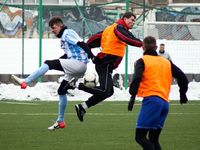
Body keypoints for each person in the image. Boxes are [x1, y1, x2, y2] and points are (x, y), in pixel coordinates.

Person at [11, 16, 89, 130]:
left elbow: (81, 43)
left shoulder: (67, 32)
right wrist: (59, 61)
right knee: (61, 91)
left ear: (60, 25)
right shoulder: (63, 37)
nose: (52, 30)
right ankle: (60, 121)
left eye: (53, 28)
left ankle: (25, 81)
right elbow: (68, 54)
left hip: (78, 64)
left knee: (49, 63)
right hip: (74, 65)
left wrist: (92, 56)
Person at [73, 12, 143, 122]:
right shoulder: (119, 28)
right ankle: (76, 85)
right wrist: (141, 43)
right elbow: (127, 38)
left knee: (109, 92)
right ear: (124, 18)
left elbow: (91, 41)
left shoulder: (109, 29)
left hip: (106, 64)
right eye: (131, 19)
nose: (133, 22)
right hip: (105, 63)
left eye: (134, 20)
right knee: (105, 90)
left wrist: (91, 55)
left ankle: (83, 107)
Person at [128, 36, 188, 150]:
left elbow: (137, 79)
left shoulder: (142, 61)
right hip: (165, 103)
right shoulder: (166, 62)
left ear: (142, 47)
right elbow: (182, 77)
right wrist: (182, 93)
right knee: (153, 139)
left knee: (140, 136)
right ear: (156, 47)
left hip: (151, 101)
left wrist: (132, 96)